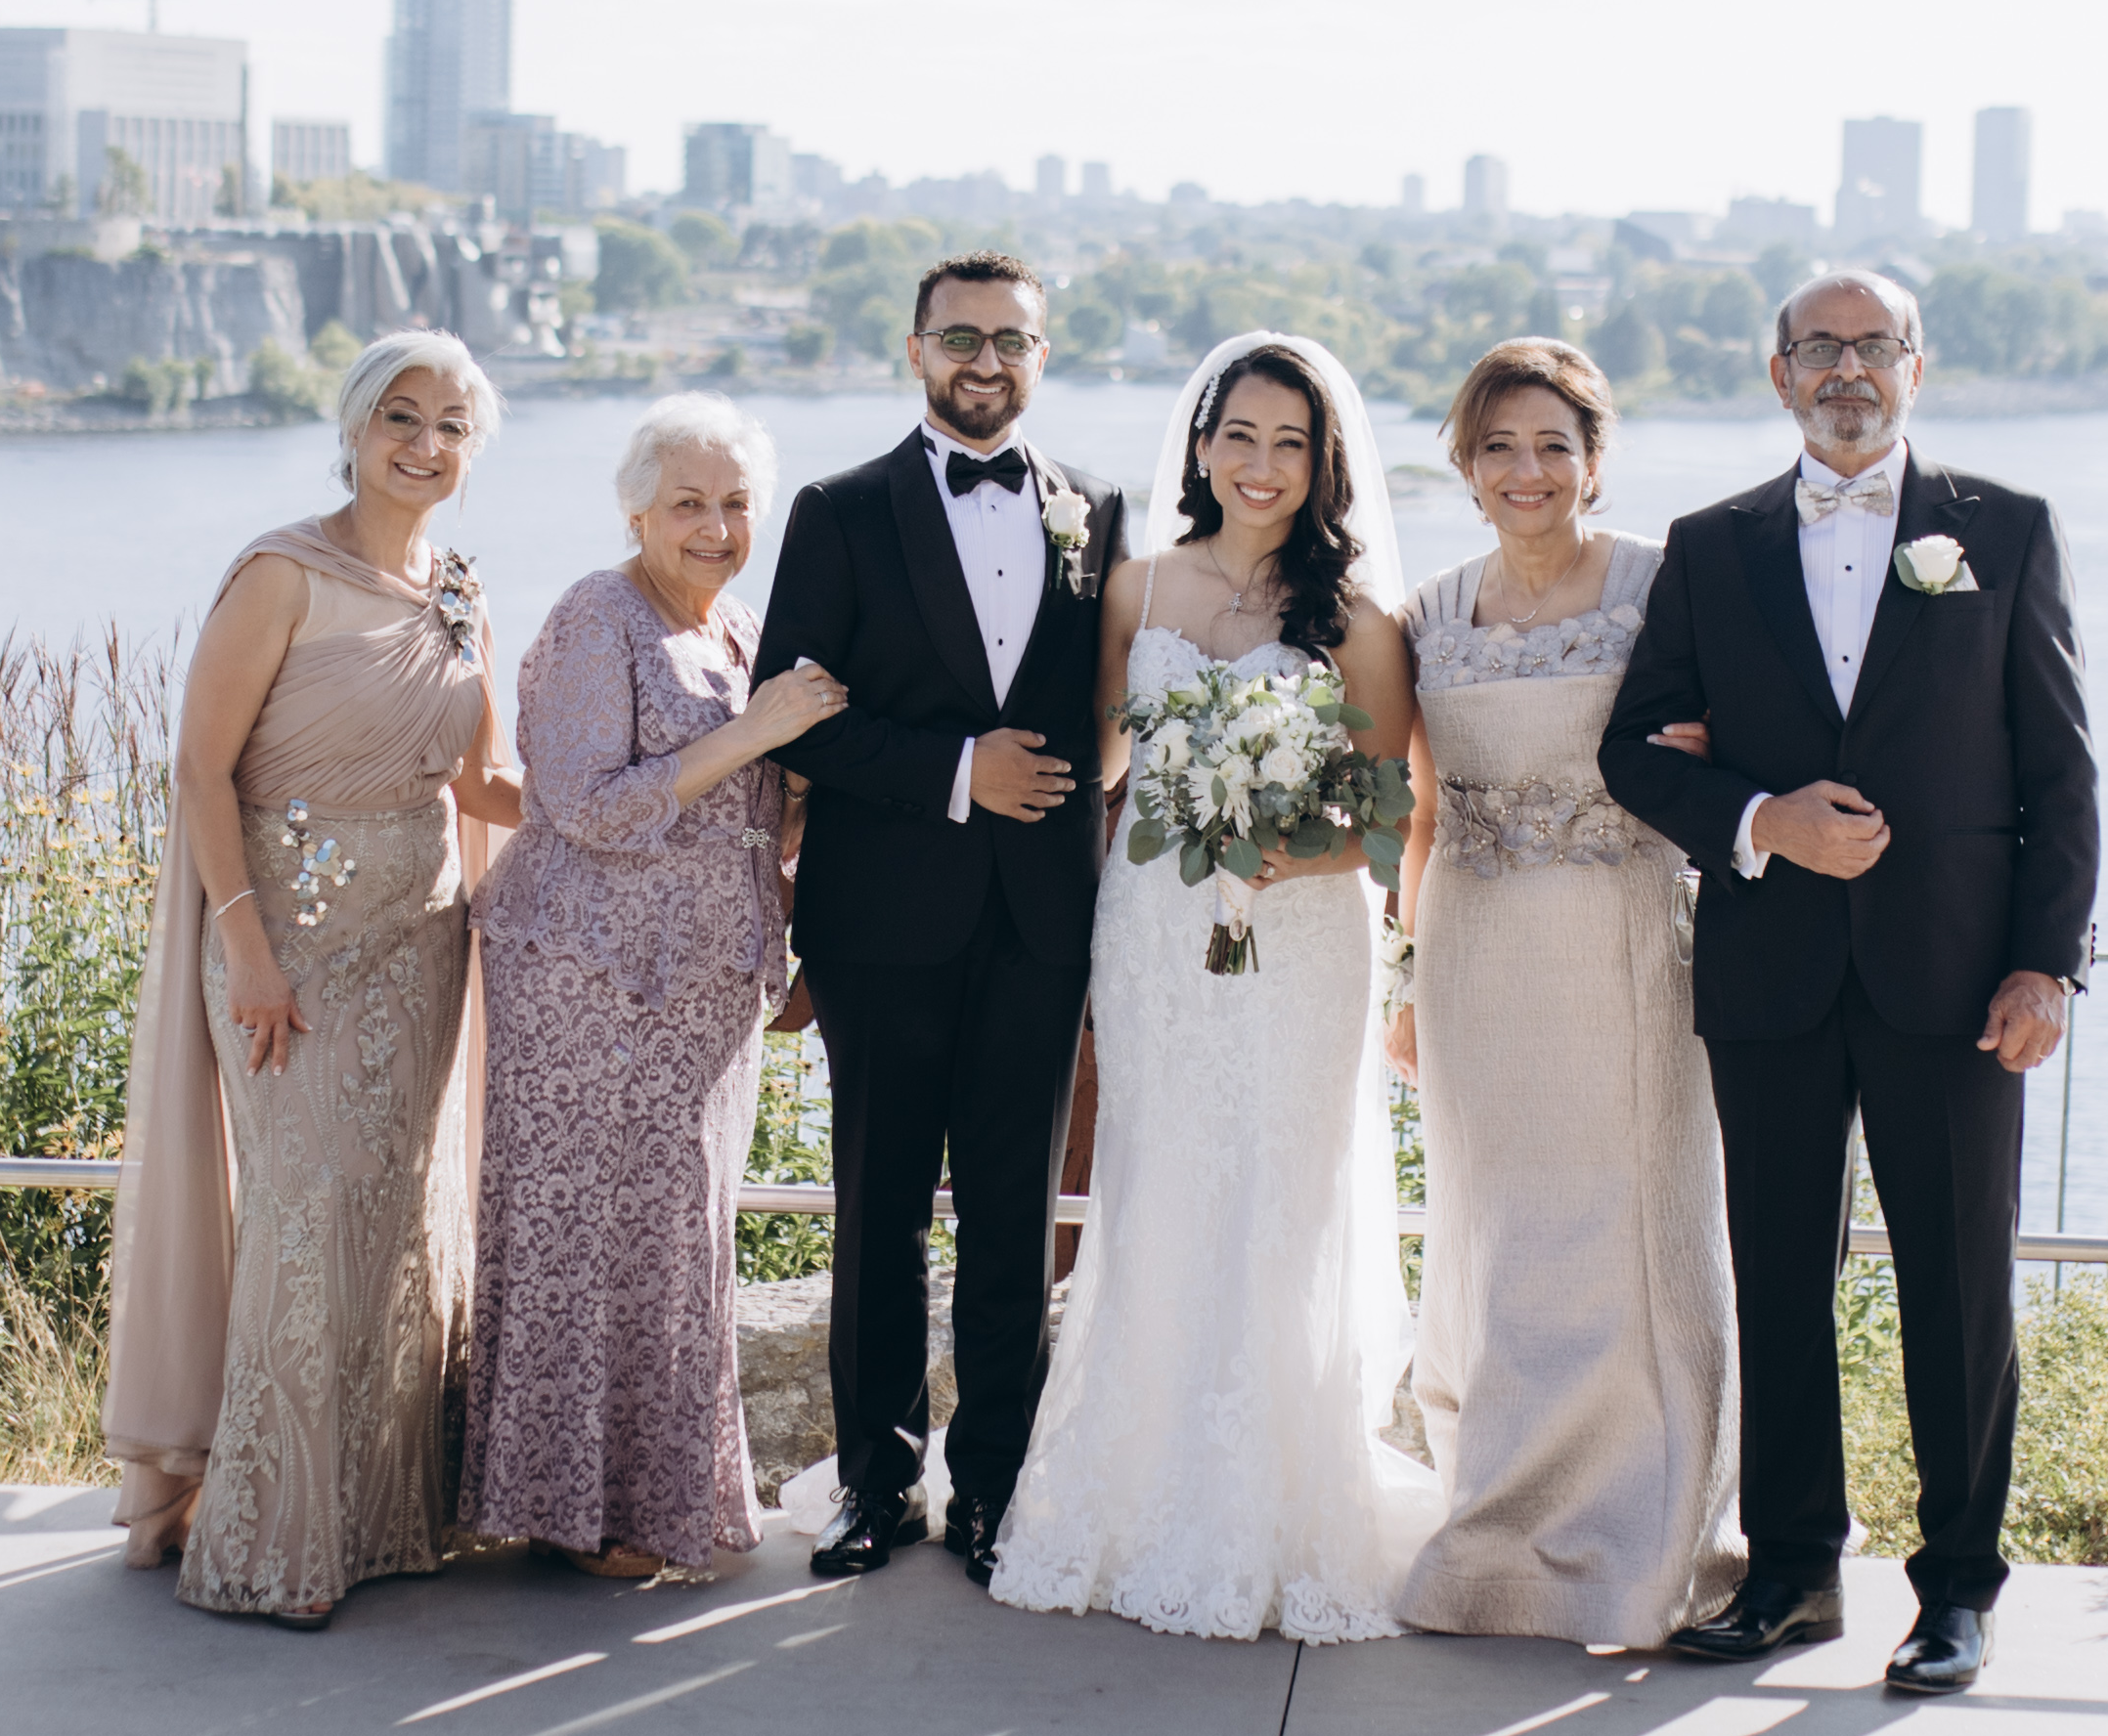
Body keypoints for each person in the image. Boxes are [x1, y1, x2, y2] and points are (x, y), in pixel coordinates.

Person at [1598, 271, 2097, 1695]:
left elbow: (2061, 772)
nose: (1847, 370)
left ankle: (1958, 1593)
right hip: (1772, 971)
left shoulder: (2007, 530)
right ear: (1778, 375)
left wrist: (2046, 964)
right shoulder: (1712, 546)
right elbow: (1635, 750)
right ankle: (1792, 1573)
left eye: (1875, 346)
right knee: (1775, 1285)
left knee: (1960, 1293)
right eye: (1819, 347)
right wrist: (1764, 821)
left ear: (1916, 369)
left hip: (1957, 978)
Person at [986, 331, 1442, 1641]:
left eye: (1290, 443)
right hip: (1156, 931)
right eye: (1240, 434)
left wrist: (1283, 846)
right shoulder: (1134, 589)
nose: (1261, 464)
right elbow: (1099, 764)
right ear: (1200, 445)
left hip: (1300, 938)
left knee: (1281, 1194)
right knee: (1162, 1179)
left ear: (1322, 463)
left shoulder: (1357, 620)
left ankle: (1269, 1508)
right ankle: (1132, 1491)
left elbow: (1386, 812)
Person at [101, 329, 521, 1627]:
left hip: (424, 950)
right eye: (402, 417)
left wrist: (663, 796)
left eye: (452, 426)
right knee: (305, 1217)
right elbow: (199, 769)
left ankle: (383, 1523)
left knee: (400, 1227)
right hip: (289, 954)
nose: (426, 445)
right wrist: (247, 950)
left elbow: (482, 788)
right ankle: (272, 1537)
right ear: (352, 428)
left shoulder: (462, 591)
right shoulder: (280, 573)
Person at [753, 252, 1127, 1585]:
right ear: (915, 351)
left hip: (1040, 921)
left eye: (1011, 340)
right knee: (880, 1211)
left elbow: (1113, 706)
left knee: (1016, 1218)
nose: (986, 361)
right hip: (882, 920)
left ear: (1042, 355)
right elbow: (795, 716)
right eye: (960, 337)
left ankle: (995, 1489)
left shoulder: (1100, 511)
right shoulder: (839, 511)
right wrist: (962, 772)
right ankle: (875, 1482)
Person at [1385, 338, 1743, 1646]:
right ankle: (1500, 1525)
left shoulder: (1665, 586)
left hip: (1624, 950)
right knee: (1497, 1234)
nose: (1526, 470)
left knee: (1633, 1231)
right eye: (1499, 447)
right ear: (1467, 465)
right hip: (1475, 961)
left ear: (1595, 461)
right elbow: (1422, 814)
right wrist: (1407, 985)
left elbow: (1734, 749)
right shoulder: (1429, 614)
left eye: (1553, 445)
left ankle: (1652, 1526)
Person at [460, 395, 846, 1578]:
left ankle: (654, 1503)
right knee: (591, 1235)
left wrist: (802, 806)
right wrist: (758, 734)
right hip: (594, 981)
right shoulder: (599, 614)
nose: (716, 527)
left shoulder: (736, 632)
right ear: (636, 511)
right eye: (688, 503)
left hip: (707, 986)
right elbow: (584, 804)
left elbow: (741, 816)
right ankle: (584, 1515)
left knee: (678, 1238)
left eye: (736, 503)